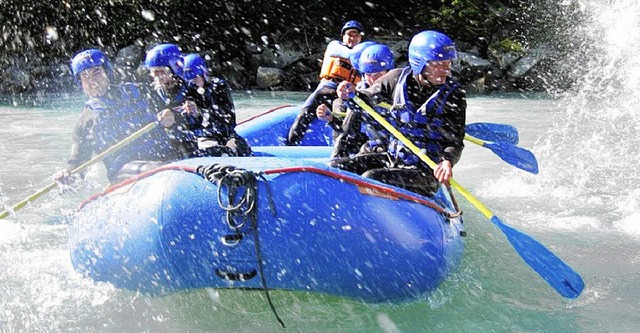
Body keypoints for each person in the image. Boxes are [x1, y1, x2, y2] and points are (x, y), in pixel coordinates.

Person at [329, 30, 467, 197]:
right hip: (393, 157)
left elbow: (455, 140)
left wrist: (447, 161)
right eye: (440, 64)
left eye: (449, 63)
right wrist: (348, 94)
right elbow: (364, 101)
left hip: (426, 170)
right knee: (338, 166)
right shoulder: (396, 78)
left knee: (371, 177)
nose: (446, 70)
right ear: (420, 63)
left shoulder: (455, 94)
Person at [54, 49, 182, 184]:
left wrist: (173, 116)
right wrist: (67, 174)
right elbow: (77, 163)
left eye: (96, 73)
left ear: (107, 73)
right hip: (125, 171)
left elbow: (176, 112)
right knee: (160, 168)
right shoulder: (86, 120)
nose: (92, 81)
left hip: (164, 156)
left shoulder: (140, 91)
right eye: (85, 77)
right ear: (81, 83)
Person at [286, 20, 367, 146]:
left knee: (341, 114)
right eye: (349, 35)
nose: (352, 38)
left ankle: (340, 147)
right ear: (343, 37)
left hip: (345, 93)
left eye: (356, 35)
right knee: (305, 113)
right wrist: (365, 50)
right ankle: (291, 144)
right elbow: (349, 54)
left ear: (361, 37)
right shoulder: (335, 46)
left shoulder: (365, 58)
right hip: (328, 86)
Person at [316, 43, 395, 157]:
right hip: (371, 144)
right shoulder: (360, 93)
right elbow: (349, 131)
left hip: (392, 148)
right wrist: (332, 120)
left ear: (388, 73)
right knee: (341, 104)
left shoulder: (397, 92)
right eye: (369, 74)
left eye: (378, 74)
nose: (373, 79)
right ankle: (337, 162)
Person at [181, 53, 251, 156]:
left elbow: (228, 117)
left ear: (203, 73)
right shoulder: (189, 88)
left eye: (196, 78)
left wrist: (201, 112)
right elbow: (191, 123)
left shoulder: (218, 86)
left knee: (236, 150)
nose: (194, 82)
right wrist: (194, 114)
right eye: (191, 80)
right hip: (204, 136)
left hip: (225, 134)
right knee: (207, 150)